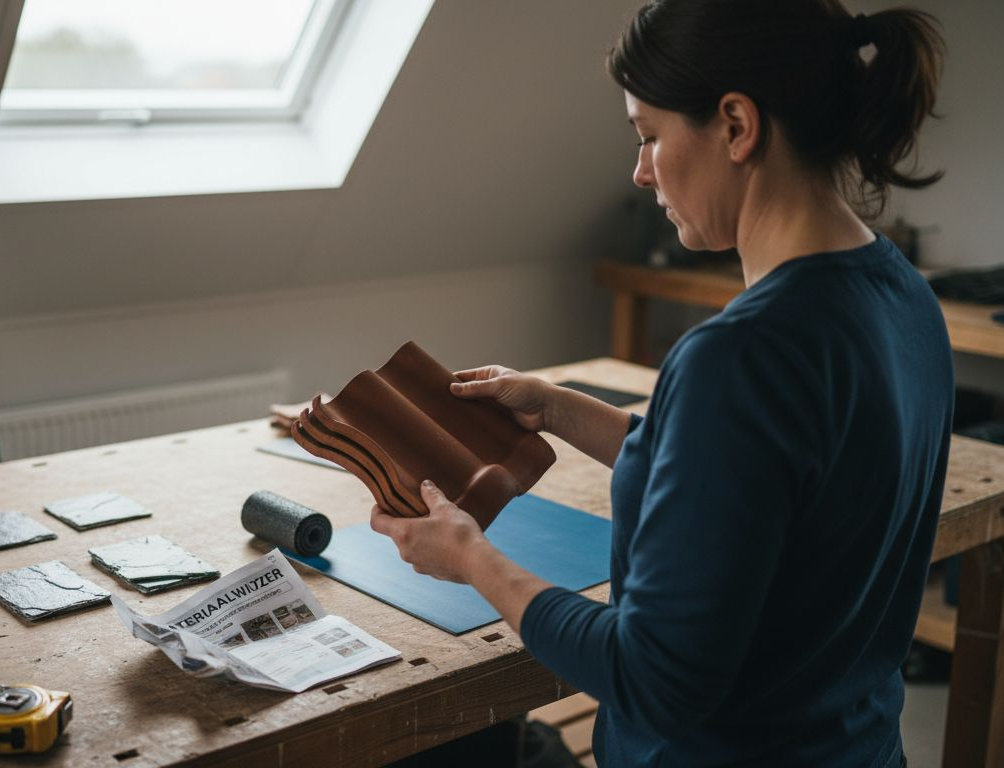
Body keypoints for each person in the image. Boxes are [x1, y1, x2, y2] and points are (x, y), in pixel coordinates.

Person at [369, 1, 951, 765]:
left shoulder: (740, 355)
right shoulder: (901, 296)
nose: (640, 171)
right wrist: (554, 406)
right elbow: (750, 485)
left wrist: (472, 559)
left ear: (737, 126)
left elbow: (651, 679)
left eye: (649, 136)